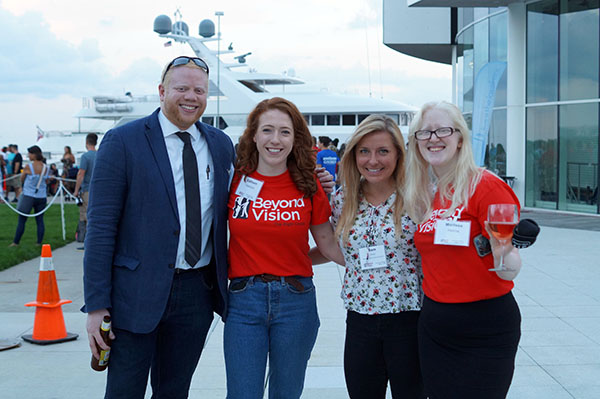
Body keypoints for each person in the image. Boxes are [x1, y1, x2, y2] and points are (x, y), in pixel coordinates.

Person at [82, 56, 236, 398]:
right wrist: (96, 306)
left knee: (174, 390)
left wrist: (315, 182)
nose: (191, 97)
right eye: (182, 88)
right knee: (124, 391)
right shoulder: (123, 141)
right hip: (134, 294)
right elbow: (101, 227)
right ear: (162, 91)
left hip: (197, 291)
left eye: (199, 90)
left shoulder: (220, 144)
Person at [225, 97, 345, 399]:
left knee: (287, 393)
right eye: (267, 130)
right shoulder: (235, 179)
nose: (275, 140)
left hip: (296, 301)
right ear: (254, 135)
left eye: (284, 132)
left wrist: (374, 265)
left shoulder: (309, 183)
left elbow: (328, 244)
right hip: (244, 301)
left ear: (295, 138)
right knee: (242, 394)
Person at [404, 101, 522, 399]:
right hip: (435, 327)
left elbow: (508, 264)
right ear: (416, 142)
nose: (433, 138)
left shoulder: (486, 186)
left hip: (484, 326)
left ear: (459, 139)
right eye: (424, 132)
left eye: (443, 130)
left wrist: (505, 252)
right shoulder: (427, 194)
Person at [312, 115, 425, 399]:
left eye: (383, 151)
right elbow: (339, 250)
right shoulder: (343, 199)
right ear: (353, 155)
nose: (372, 160)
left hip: (409, 320)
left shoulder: (419, 198)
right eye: (364, 151)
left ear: (399, 154)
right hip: (360, 320)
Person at [9, 145, 49, 247]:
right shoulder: (45, 167)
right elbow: (47, 181)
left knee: (22, 220)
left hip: (28, 196)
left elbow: (22, 179)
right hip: (41, 196)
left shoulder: (28, 167)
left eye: (29, 153)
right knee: (40, 220)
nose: (28, 155)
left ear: (34, 154)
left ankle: (16, 242)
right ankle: (39, 242)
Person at [73, 133, 98, 247]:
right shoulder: (100, 155)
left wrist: (76, 190)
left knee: (86, 215)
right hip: (98, 189)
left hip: (87, 189)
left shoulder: (85, 157)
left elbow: (81, 173)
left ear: (87, 142)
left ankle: (86, 240)